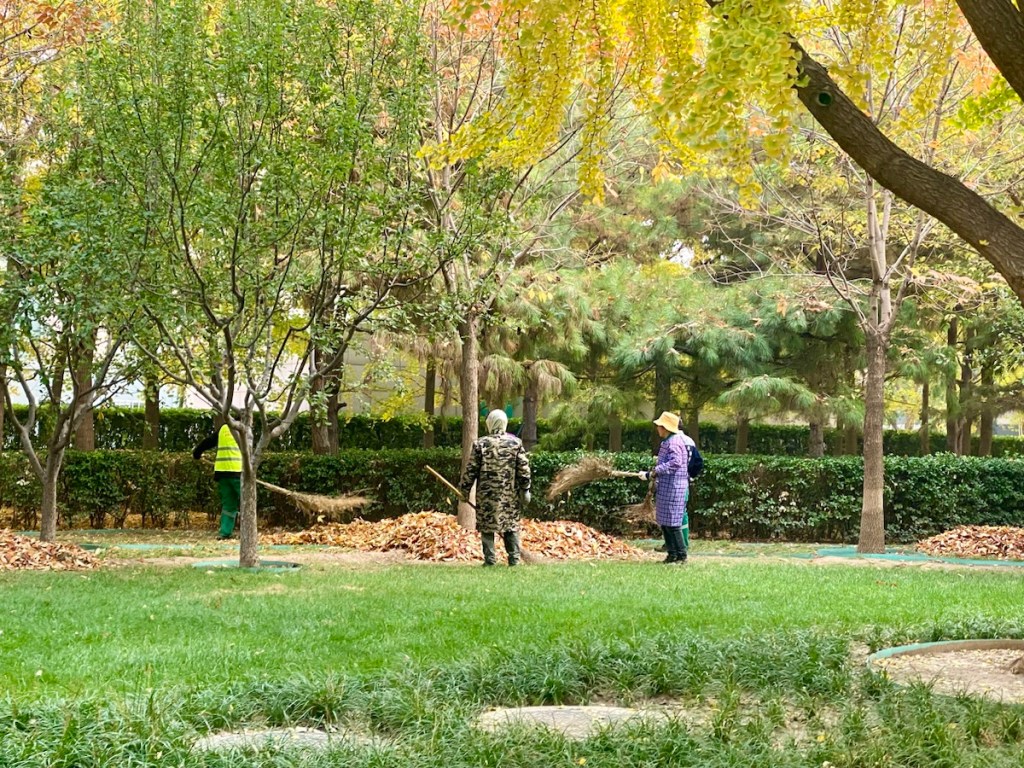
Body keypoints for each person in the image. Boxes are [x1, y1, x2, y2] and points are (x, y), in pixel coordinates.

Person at [459, 409, 532, 567]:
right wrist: (525, 489)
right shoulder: (515, 443)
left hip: (486, 495)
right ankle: (514, 559)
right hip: (509, 495)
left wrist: (464, 490)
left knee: (487, 527)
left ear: (489, 423)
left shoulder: (480, 444)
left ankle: (490, 559)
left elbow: (471, 470)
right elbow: (524, 469)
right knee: (511, 526)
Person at [638, 411, 690, 564]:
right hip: (667, 487)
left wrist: (653, 472)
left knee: (673, 524)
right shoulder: (669, 441)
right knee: (666, 523)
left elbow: (675, 462)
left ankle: (681, 556)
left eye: (659, 426)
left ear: (666, 428)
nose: (657, 428)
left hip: (674, 488)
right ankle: (672, 555)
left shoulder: (674, 442)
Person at [193, 419, 243, 540]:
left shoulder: (223, 429)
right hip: (238, 472)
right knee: (248, 502)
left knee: (228, 504)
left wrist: (197, 453)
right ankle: (249, 532)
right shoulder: (243, 429)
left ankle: (225, 532)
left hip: (222, 473)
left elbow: (208, 442)